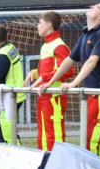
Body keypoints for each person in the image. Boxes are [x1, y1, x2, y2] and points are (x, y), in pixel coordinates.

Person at [41, 2, 100, 160]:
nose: (91, 7)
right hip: (92, 92)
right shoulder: (85, 34)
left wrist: (73, 83)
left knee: (91, 135)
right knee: (99, 133)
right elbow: (69, 60)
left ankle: (93, 167)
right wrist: (50, 81)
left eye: (96, 7)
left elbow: (92, 61)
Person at [26, 12, 72, 150]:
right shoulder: (46, 45)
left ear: (49, 25)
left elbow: (68, 71)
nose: (37, 26)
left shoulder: (59, 46)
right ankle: (45, 158)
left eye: (40, 23)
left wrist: (43, 77)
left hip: (54, 96)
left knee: (54, 133)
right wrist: (34, 73)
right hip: (44, 95)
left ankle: (57, 160)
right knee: (43, 133)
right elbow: (47, 70)